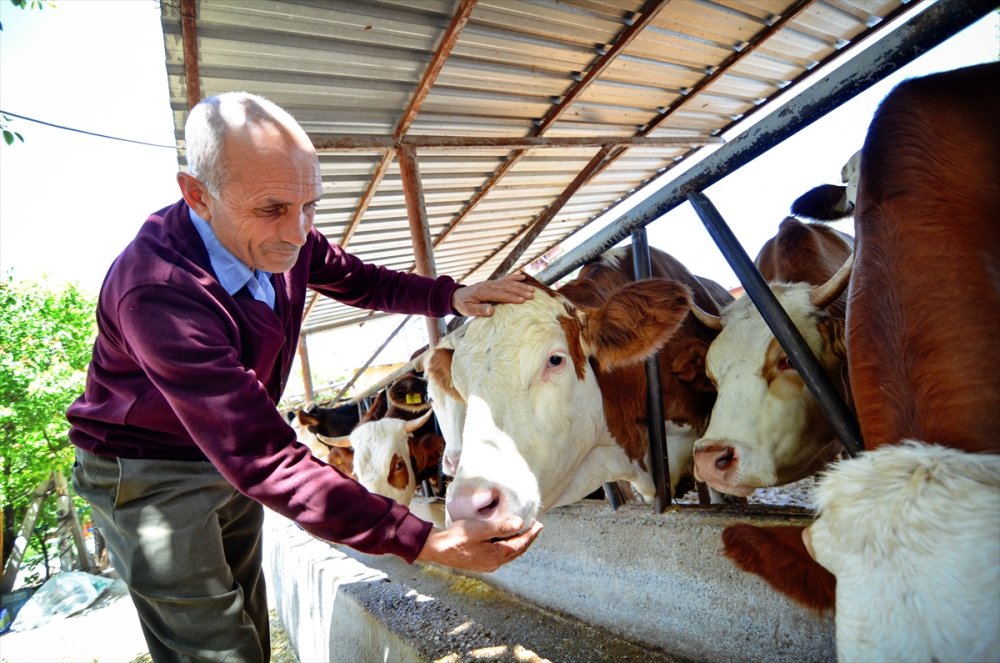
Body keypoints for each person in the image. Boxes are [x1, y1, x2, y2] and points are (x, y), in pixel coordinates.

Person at [67, 91, 542, 662]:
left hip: (225, 454)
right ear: (197, 194)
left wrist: (451, 296)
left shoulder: (281, 235)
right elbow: (263, 458)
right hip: (149, 471)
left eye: (309, 205)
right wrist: (428, 540)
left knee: (245, 610)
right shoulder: (160, 291)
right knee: (211, 648)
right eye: (272, 209)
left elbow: (359, 279)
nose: (297, 233)